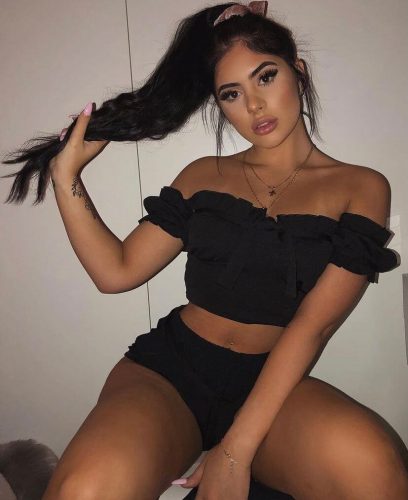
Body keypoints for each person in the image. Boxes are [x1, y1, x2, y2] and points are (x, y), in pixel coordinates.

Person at [2, 2, 407, 499]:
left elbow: (313, 326)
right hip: (171, 374)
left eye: (266, 76)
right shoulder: (202, 175)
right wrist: (66, 176)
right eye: (231, 93)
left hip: (273, 383)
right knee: (82, 491)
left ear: (298, 72)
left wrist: (234, 452)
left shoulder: (361, 186)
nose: (254, 105)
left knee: (375, 472)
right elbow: (116, 272)